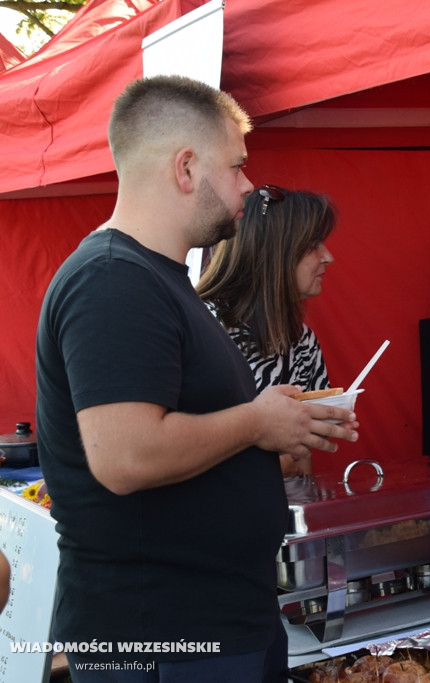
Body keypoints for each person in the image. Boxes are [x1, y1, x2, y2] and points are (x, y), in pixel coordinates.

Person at [35, 75, 357, 681]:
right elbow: (126, 455)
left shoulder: (158, 279)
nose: (247, 185)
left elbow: (194, 433)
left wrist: (279, 431)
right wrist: (260, 420)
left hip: (218, 624)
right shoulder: (112, 281)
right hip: (161, 638)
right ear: (186, 169)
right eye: (235, 166)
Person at [197, 186, 337, 476]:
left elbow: (301, 458)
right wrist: (266, 463)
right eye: (313, 245)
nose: (328, 257)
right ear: (274, 251)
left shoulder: (302, 340)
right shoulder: (201, 331)